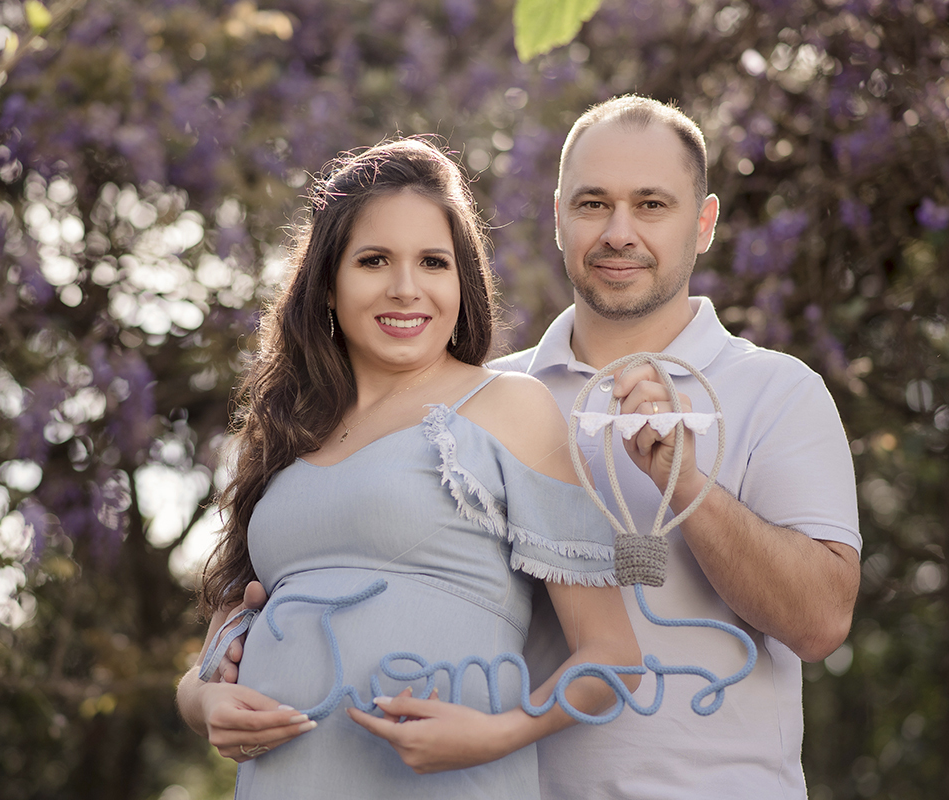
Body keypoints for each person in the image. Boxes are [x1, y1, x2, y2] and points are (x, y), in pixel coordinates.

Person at [365, 96, 863, 797]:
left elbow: (819, 624)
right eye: (594, 204)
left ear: (705, 223)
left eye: (652, 205)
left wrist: (686, 482)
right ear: (559, 216)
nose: (618, 233)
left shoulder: (779, 391)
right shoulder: (479, 400)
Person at [175, 137, 642, 799]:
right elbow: (209, 662)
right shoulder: (284, 435)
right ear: (329, 284)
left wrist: (498, 733)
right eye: (373, 260)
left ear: (462, 282)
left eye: (432, 262)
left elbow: (615, 658)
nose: (406, 288)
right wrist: (205, 705)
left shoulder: (510, 409)